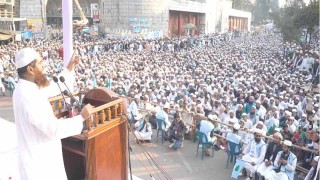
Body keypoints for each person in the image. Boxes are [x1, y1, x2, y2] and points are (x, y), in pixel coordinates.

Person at [13, 48, 93, 180]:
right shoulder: (29, 96)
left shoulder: (25, 87)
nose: (43, 65)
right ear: (30, 69)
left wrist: (69, 69)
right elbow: (53, 129)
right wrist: (81, 118)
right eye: (39, 63)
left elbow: (51, 88)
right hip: (39, 165)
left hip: (38, 157)